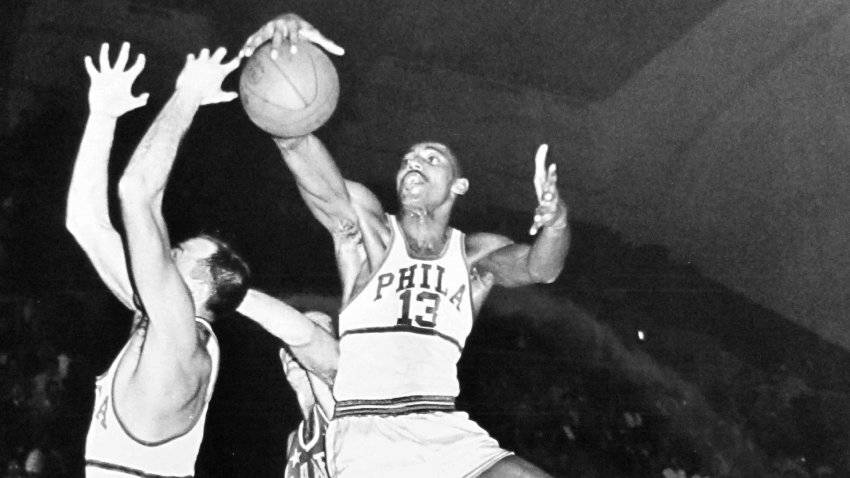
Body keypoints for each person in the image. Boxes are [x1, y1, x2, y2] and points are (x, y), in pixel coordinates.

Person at [242, 15, 571, 478]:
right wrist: (284, 55)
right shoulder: (368, 232)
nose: (413, 162)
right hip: (367, 431)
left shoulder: (476, 255)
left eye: (430, 158)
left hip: (444, 426)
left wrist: (556, 223)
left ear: (459, 185)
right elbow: (296, 145)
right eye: (407, 160)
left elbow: (542, 268)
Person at [67, 42, 250, 477]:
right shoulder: (159, 321)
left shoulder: (179, 341)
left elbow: (138, 192)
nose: (165, 254)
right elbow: (86, 223)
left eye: (179, 254)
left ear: (201, 288)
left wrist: (188, 93)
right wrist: (103, 116)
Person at [280, 311, 336, 478]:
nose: (295, 349)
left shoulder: (343, 411)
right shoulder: (294, 439)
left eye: (318, 335)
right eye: (288, 343)